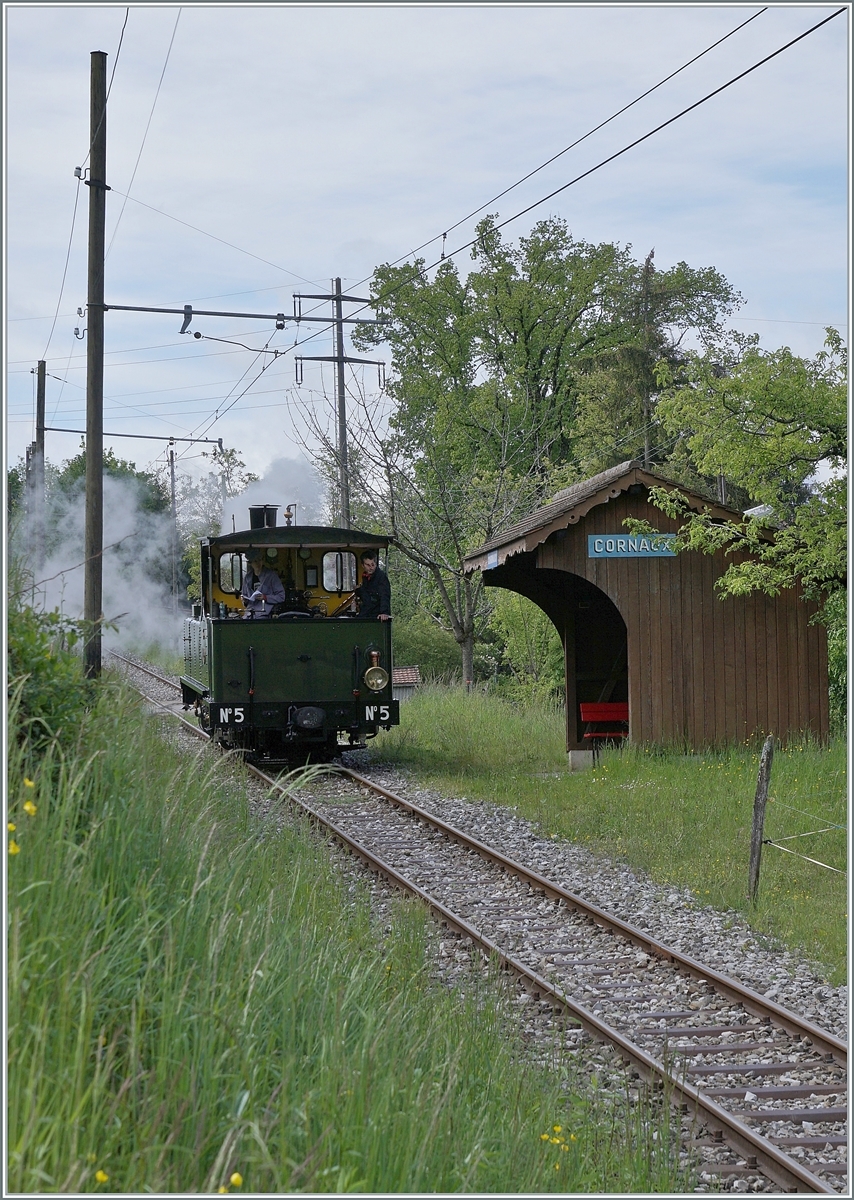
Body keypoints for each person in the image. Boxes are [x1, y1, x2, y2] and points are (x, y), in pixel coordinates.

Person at [241, 550, 286, 618]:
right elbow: (245, 598)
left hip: (265, 614)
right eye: (255, 561)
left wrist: (265, 597)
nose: (258, 563)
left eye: (260, 560)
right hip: (249, 614)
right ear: (250, 563)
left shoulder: (271, 576)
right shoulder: (247, 578)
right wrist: (244, 600)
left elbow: (281, 597)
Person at [354, 551, 391, 621]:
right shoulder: (365, 577)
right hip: (366, 612)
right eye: (368, 565)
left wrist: (384, 612)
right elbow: (366, 592)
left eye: (373, 564)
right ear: (363, 565)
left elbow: (384, 595)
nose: (371, 568)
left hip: (375, 615)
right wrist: (358, 590)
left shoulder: (381, 577)